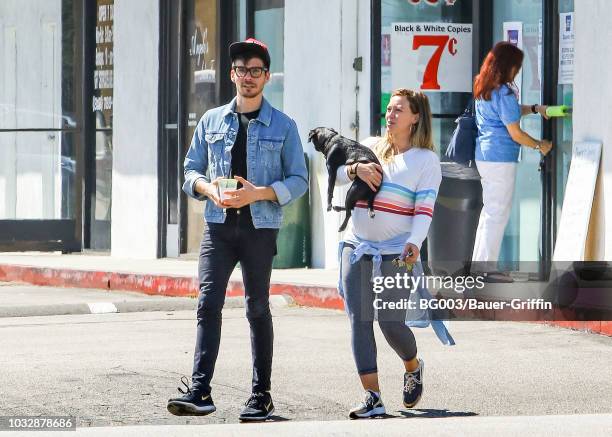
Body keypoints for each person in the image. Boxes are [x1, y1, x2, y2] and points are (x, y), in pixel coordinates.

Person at [167, 38, 308, 421]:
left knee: (257, 307)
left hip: (260, 229)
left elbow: (299, 179)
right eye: (242, 70)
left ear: (266, 77)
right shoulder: (212, 120)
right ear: (232, 74)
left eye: (256, 71)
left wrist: (259, 194)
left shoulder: (284, 125)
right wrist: (208, 188)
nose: (248, 76)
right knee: (207, 304)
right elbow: (190, 170)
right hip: (218, 229)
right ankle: (200, 391)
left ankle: (261, 396)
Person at [336, 89, 444, 418]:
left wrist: (415, 242)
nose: (390, 114)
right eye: (389, 108)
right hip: (356, 247)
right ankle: (373, 397)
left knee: (390, 322)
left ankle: (412, 365)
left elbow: (424, 209)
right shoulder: (368, 147)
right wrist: (356, 171)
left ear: (415, 118)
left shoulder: (425, 161)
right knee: (359, 320)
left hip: (398, 251)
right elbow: (337, 174)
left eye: (399, 109)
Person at [471, 41, 553, 282]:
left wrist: (536, 108)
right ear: (508, 66)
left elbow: (511, 111)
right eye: (516, 66)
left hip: (484, 156)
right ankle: (486, 270)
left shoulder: (484, 87)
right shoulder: (504, 91)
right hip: (500, 158)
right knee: (497, 213)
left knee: (490, 212)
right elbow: (515, 132)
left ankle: (479, 266)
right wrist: (540, 145)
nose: (517, 70)